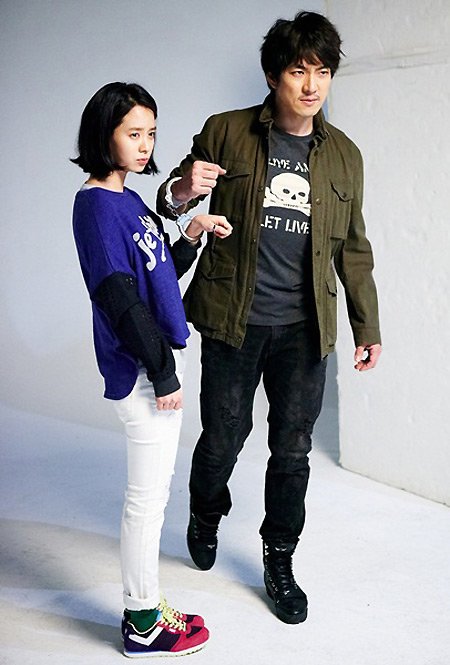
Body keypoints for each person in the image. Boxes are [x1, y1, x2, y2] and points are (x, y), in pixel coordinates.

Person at [156, 11, 382, 625]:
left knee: (293, 450)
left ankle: (279, 560)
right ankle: (206, 511)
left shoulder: (345, 156)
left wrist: (367, 327)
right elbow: (169, 201)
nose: (311, 85)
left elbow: (353, 249)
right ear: (273, 75)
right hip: (235, 319)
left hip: (305, 329)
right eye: (299, 71)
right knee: (223, 436)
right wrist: (185, 187)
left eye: (323, 72)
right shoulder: (226, 132)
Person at [71, 82, 232, 658]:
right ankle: (142, 621)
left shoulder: (129, 199)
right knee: (146, 501)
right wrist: (163, 374)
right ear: (104, 135)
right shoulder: (94, 206)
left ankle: (146, 606)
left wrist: (190, 235)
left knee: (153, 496)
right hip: (142, 371)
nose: (145, 146)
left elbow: (157, 275)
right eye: (133, 133)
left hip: (157, 360)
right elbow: (119, 299)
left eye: (152, 134)